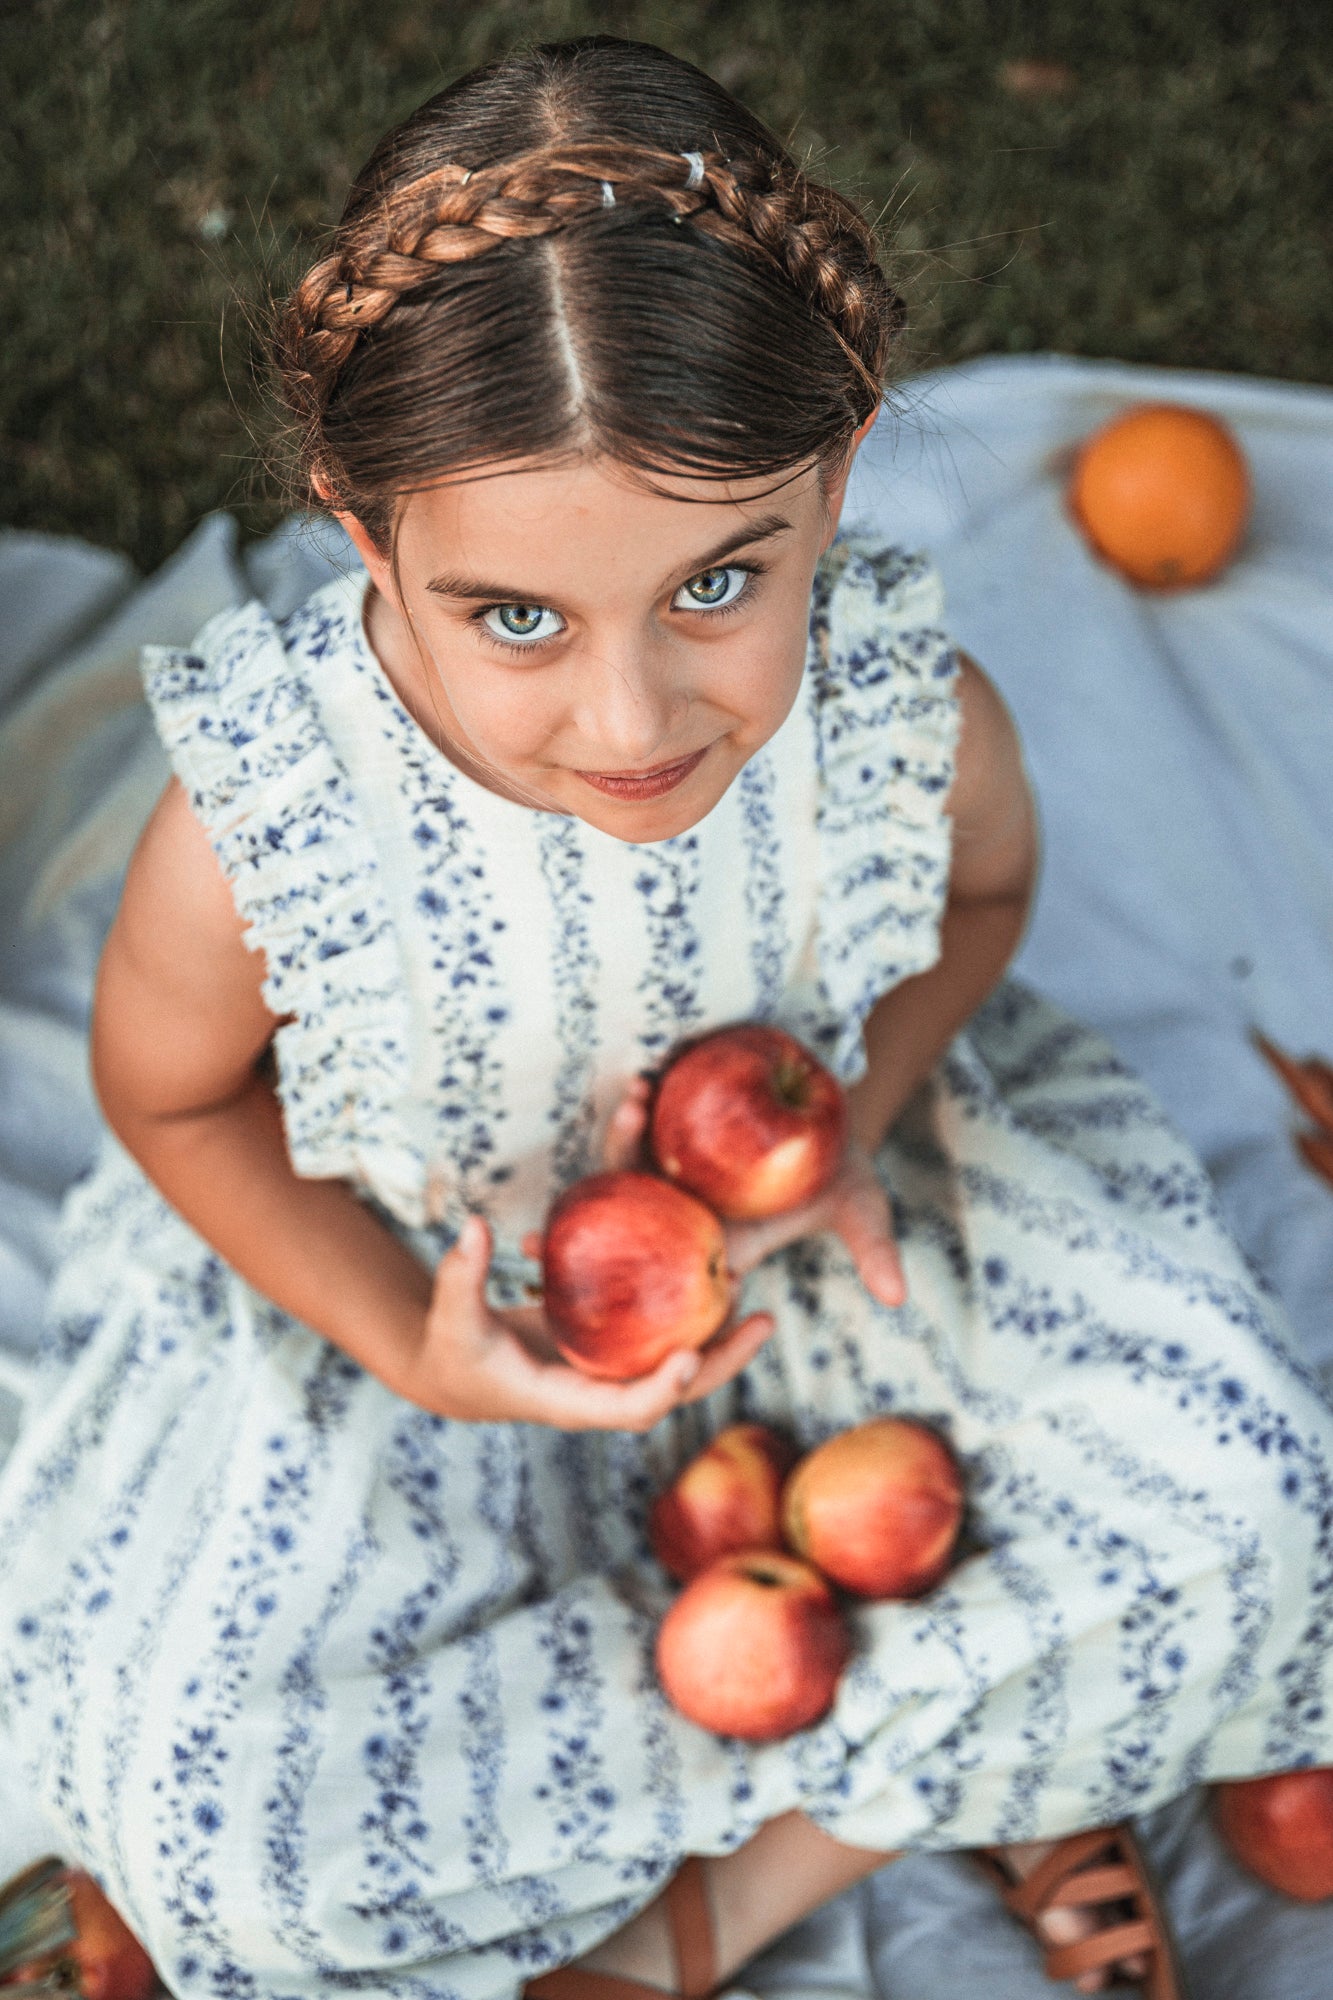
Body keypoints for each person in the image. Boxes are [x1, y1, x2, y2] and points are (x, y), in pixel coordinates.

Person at [1, 33, 1330, 2000]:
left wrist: (864, 1113)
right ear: (366, 538)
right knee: (213, 1814)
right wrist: (415, 1347)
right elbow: (170, 1099)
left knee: (1245, 1485)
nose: (631, 724)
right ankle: (965, 1734)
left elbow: (980, 895)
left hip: (826, 1233)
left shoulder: (892, 700)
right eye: (516, 617)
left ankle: (724, 1899)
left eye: (722, 578)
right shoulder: (276, 812)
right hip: (424, 1292)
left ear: (840, 478)